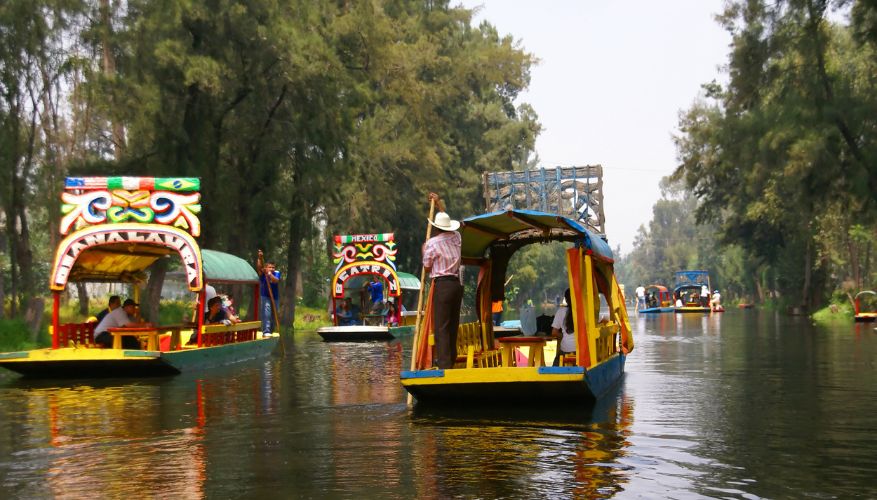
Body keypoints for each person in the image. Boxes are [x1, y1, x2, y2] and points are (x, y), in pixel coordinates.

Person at [421, 193, 462, 369]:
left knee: (441, 327)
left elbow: (427, 267)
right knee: (452, 324)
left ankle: (445, 365)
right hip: (456, 285)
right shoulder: (457, 237)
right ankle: (450, 359)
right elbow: (447, 223)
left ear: (436, 228)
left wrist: (424, 250)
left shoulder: (432, 243)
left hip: (443, 285)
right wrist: (438, 204)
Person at [257, 250, 281, 338]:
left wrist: (270, 274)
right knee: (266, 313)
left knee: (275, 314)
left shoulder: (276, 273)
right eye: (270, 267)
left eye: (273, 267)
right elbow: (259, 267)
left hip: (275, 297)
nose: (272, 269)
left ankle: (271, 330)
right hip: (265, 296)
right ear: (266, 267)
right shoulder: (263, 273)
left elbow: (276, 280)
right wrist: (259, 258)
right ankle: (266, 331)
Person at [552, 289, 576, 366]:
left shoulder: (561, 311)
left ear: (566, 299)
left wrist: (563, 335)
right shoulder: (584, 310)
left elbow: (554, 332)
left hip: (565, 350)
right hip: (581, 351)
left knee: (556, 365)